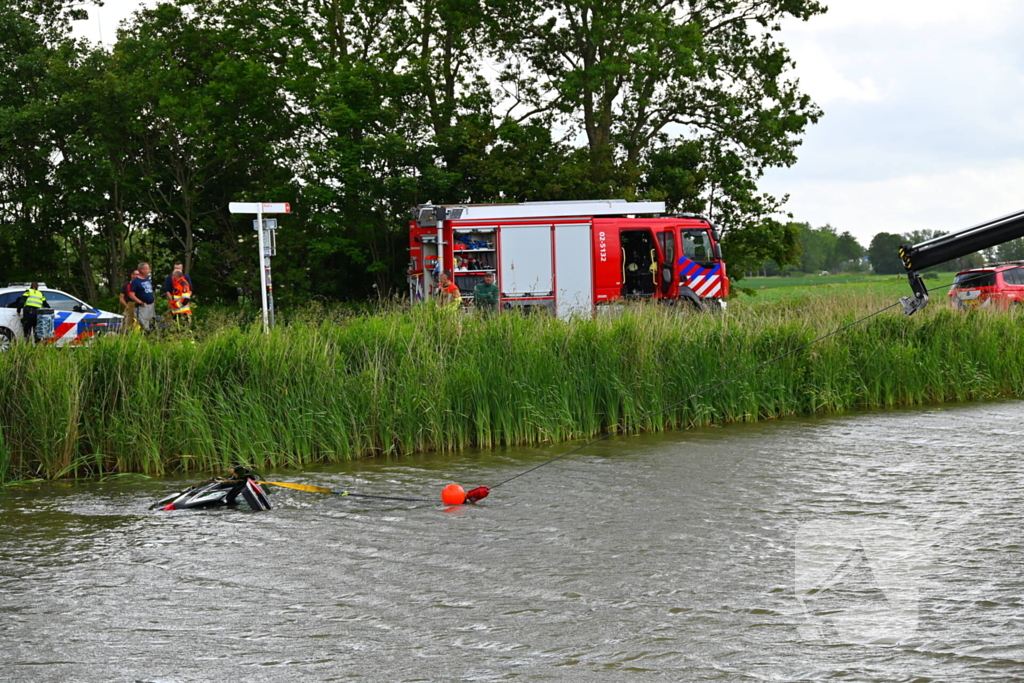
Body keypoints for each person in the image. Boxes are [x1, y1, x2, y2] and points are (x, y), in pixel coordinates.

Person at [128, 262, 156, 331]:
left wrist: (153, 299)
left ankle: (152, 336)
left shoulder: (147, 279)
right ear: (142, 270)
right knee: (144, 325)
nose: (149, 270)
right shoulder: (136, 281)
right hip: (143, 307)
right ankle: (145, 336)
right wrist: (141, 302)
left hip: (151, 305)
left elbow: (150, 290)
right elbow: (131, 294)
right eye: (147, 268)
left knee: (152, 323)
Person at [119, 268, 139, 333]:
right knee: (126, 322)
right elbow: (121, 298)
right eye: (135, 274)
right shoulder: (126, 285)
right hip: (130, 304)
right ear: (131, 275)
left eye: (138, 274)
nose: (136, 276)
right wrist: (127, 305)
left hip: (141, 305)